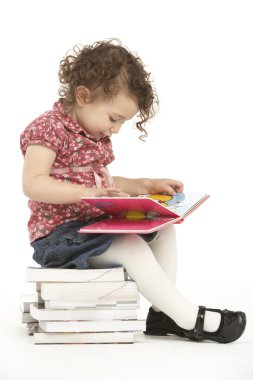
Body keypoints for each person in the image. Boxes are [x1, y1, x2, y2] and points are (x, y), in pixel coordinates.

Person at [20, 39, 246, 343]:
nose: (115, 130)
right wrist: (83, 194)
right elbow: (33, 182)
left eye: (122, 123)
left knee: (165, 228)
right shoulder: (48, 128)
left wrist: (145, 185)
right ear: (83, 96)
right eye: (114, 119)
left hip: (92, 231)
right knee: (130, 244)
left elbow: (104, 184)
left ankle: (164, 313)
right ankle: (189, 317)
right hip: (59, 238)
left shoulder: (94, 136)